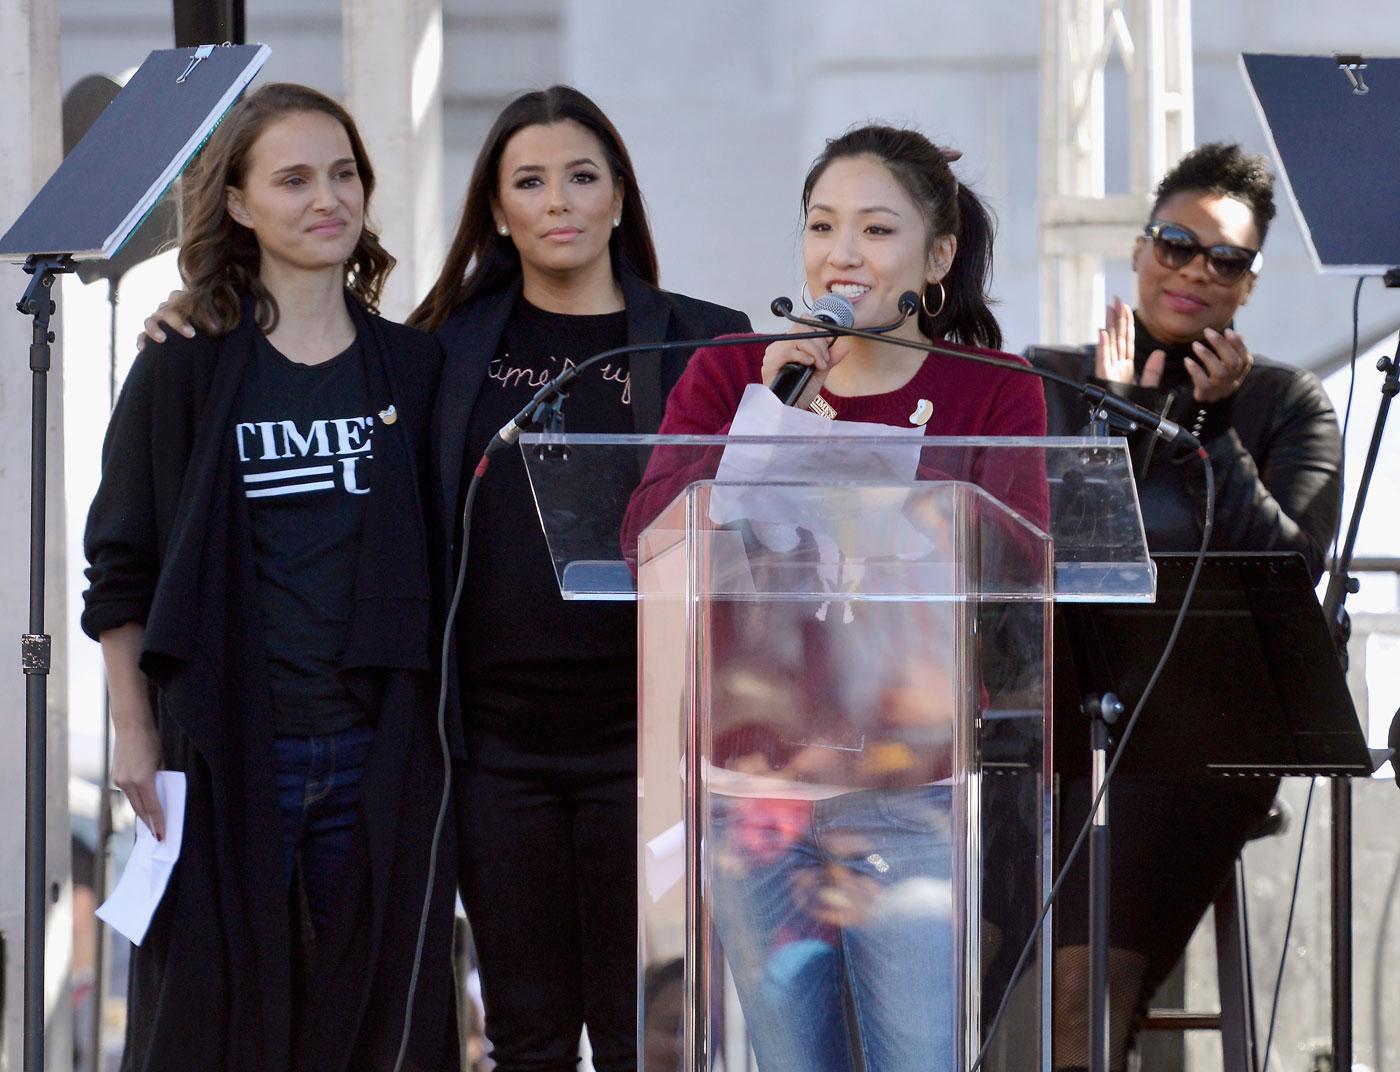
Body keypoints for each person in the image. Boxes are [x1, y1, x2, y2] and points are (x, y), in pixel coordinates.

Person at [140, 84, 750, 1072]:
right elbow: (309, 339)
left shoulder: (704, 344)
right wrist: (202, 301)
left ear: (620, 197)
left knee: (659, 1036)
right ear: (497, 212)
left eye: (582, 176)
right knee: (524, 1032)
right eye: (529, 180)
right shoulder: (441, 349)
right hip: (490, 753)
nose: (558, 200)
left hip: (658, 755)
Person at [624, 125, 1047, 1072]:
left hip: (912, 783)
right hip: (755, 788)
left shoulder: (994, 391)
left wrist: (912, 503)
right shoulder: (736, 372)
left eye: (876, 230)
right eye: (822, 226)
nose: (842, 254)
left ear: (936, 258)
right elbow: (648, 529)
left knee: (915, 1054)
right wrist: (765, 418)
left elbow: (1023, 561)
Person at [83, 83, 458, 1071]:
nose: (325, 197)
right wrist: (135, 731)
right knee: (215, 1022)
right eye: (292, 178)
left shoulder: (411, 370)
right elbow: (121, 565)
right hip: (227, 744)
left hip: (375, 746)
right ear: (241, 205)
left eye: (342, 174)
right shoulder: (183, 367)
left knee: (369, 1015)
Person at [1027, 142, 1343, 1070]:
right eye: (1176, 243)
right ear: (1138, 250)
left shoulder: (1287, 402)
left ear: (1248, 286)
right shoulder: (1055, 380)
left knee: (1084, 995)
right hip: (1056, 732)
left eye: (1227, 260)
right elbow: (1051, 554)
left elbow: (1288, 571)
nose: (1196, 271)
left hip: (1207, 738)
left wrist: (1216, 436)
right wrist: (1117, 415)